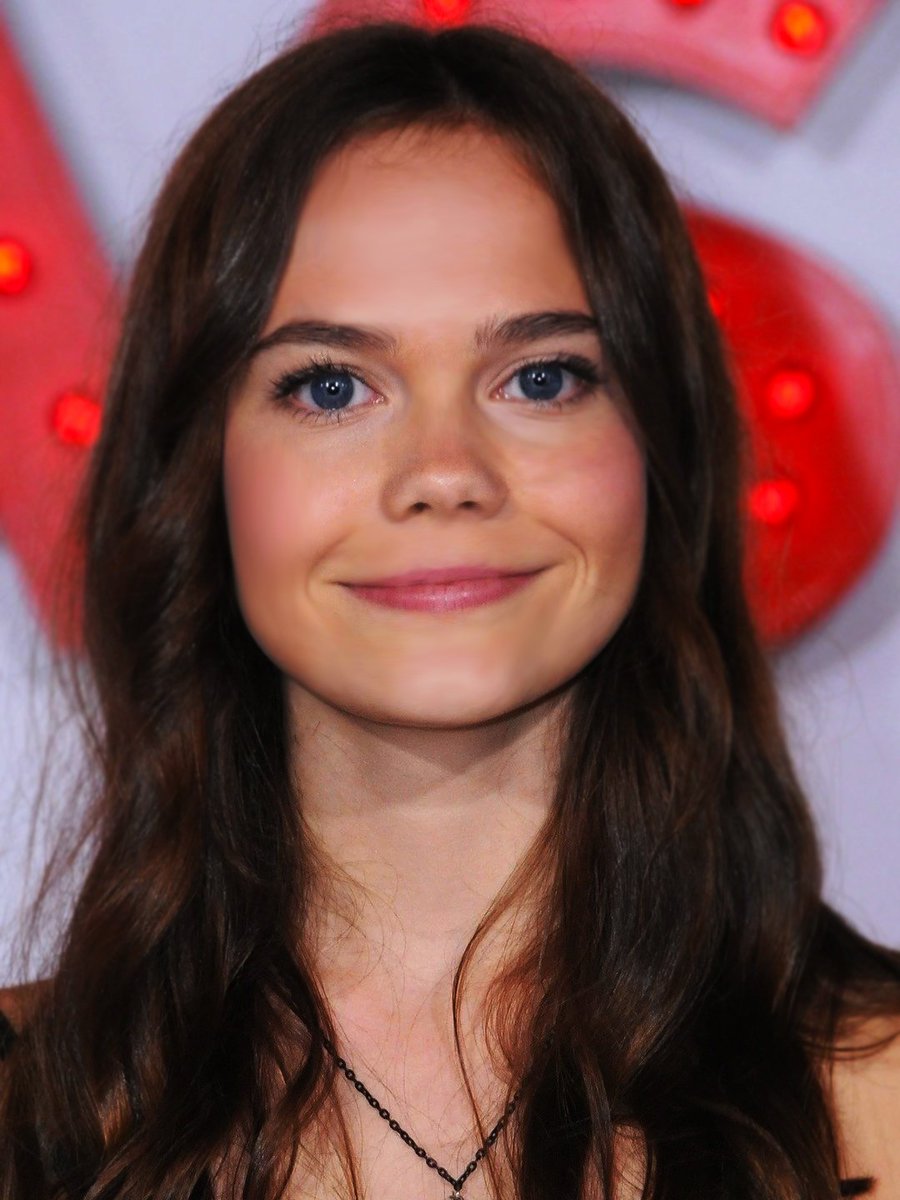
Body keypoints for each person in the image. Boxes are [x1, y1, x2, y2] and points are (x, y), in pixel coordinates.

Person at [1, 16, 898, 1200]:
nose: (443, 471)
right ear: (197, 473)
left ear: (662, 452)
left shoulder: (882, 1084)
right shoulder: (32, 1111)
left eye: (542, 378)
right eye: (331, 387)